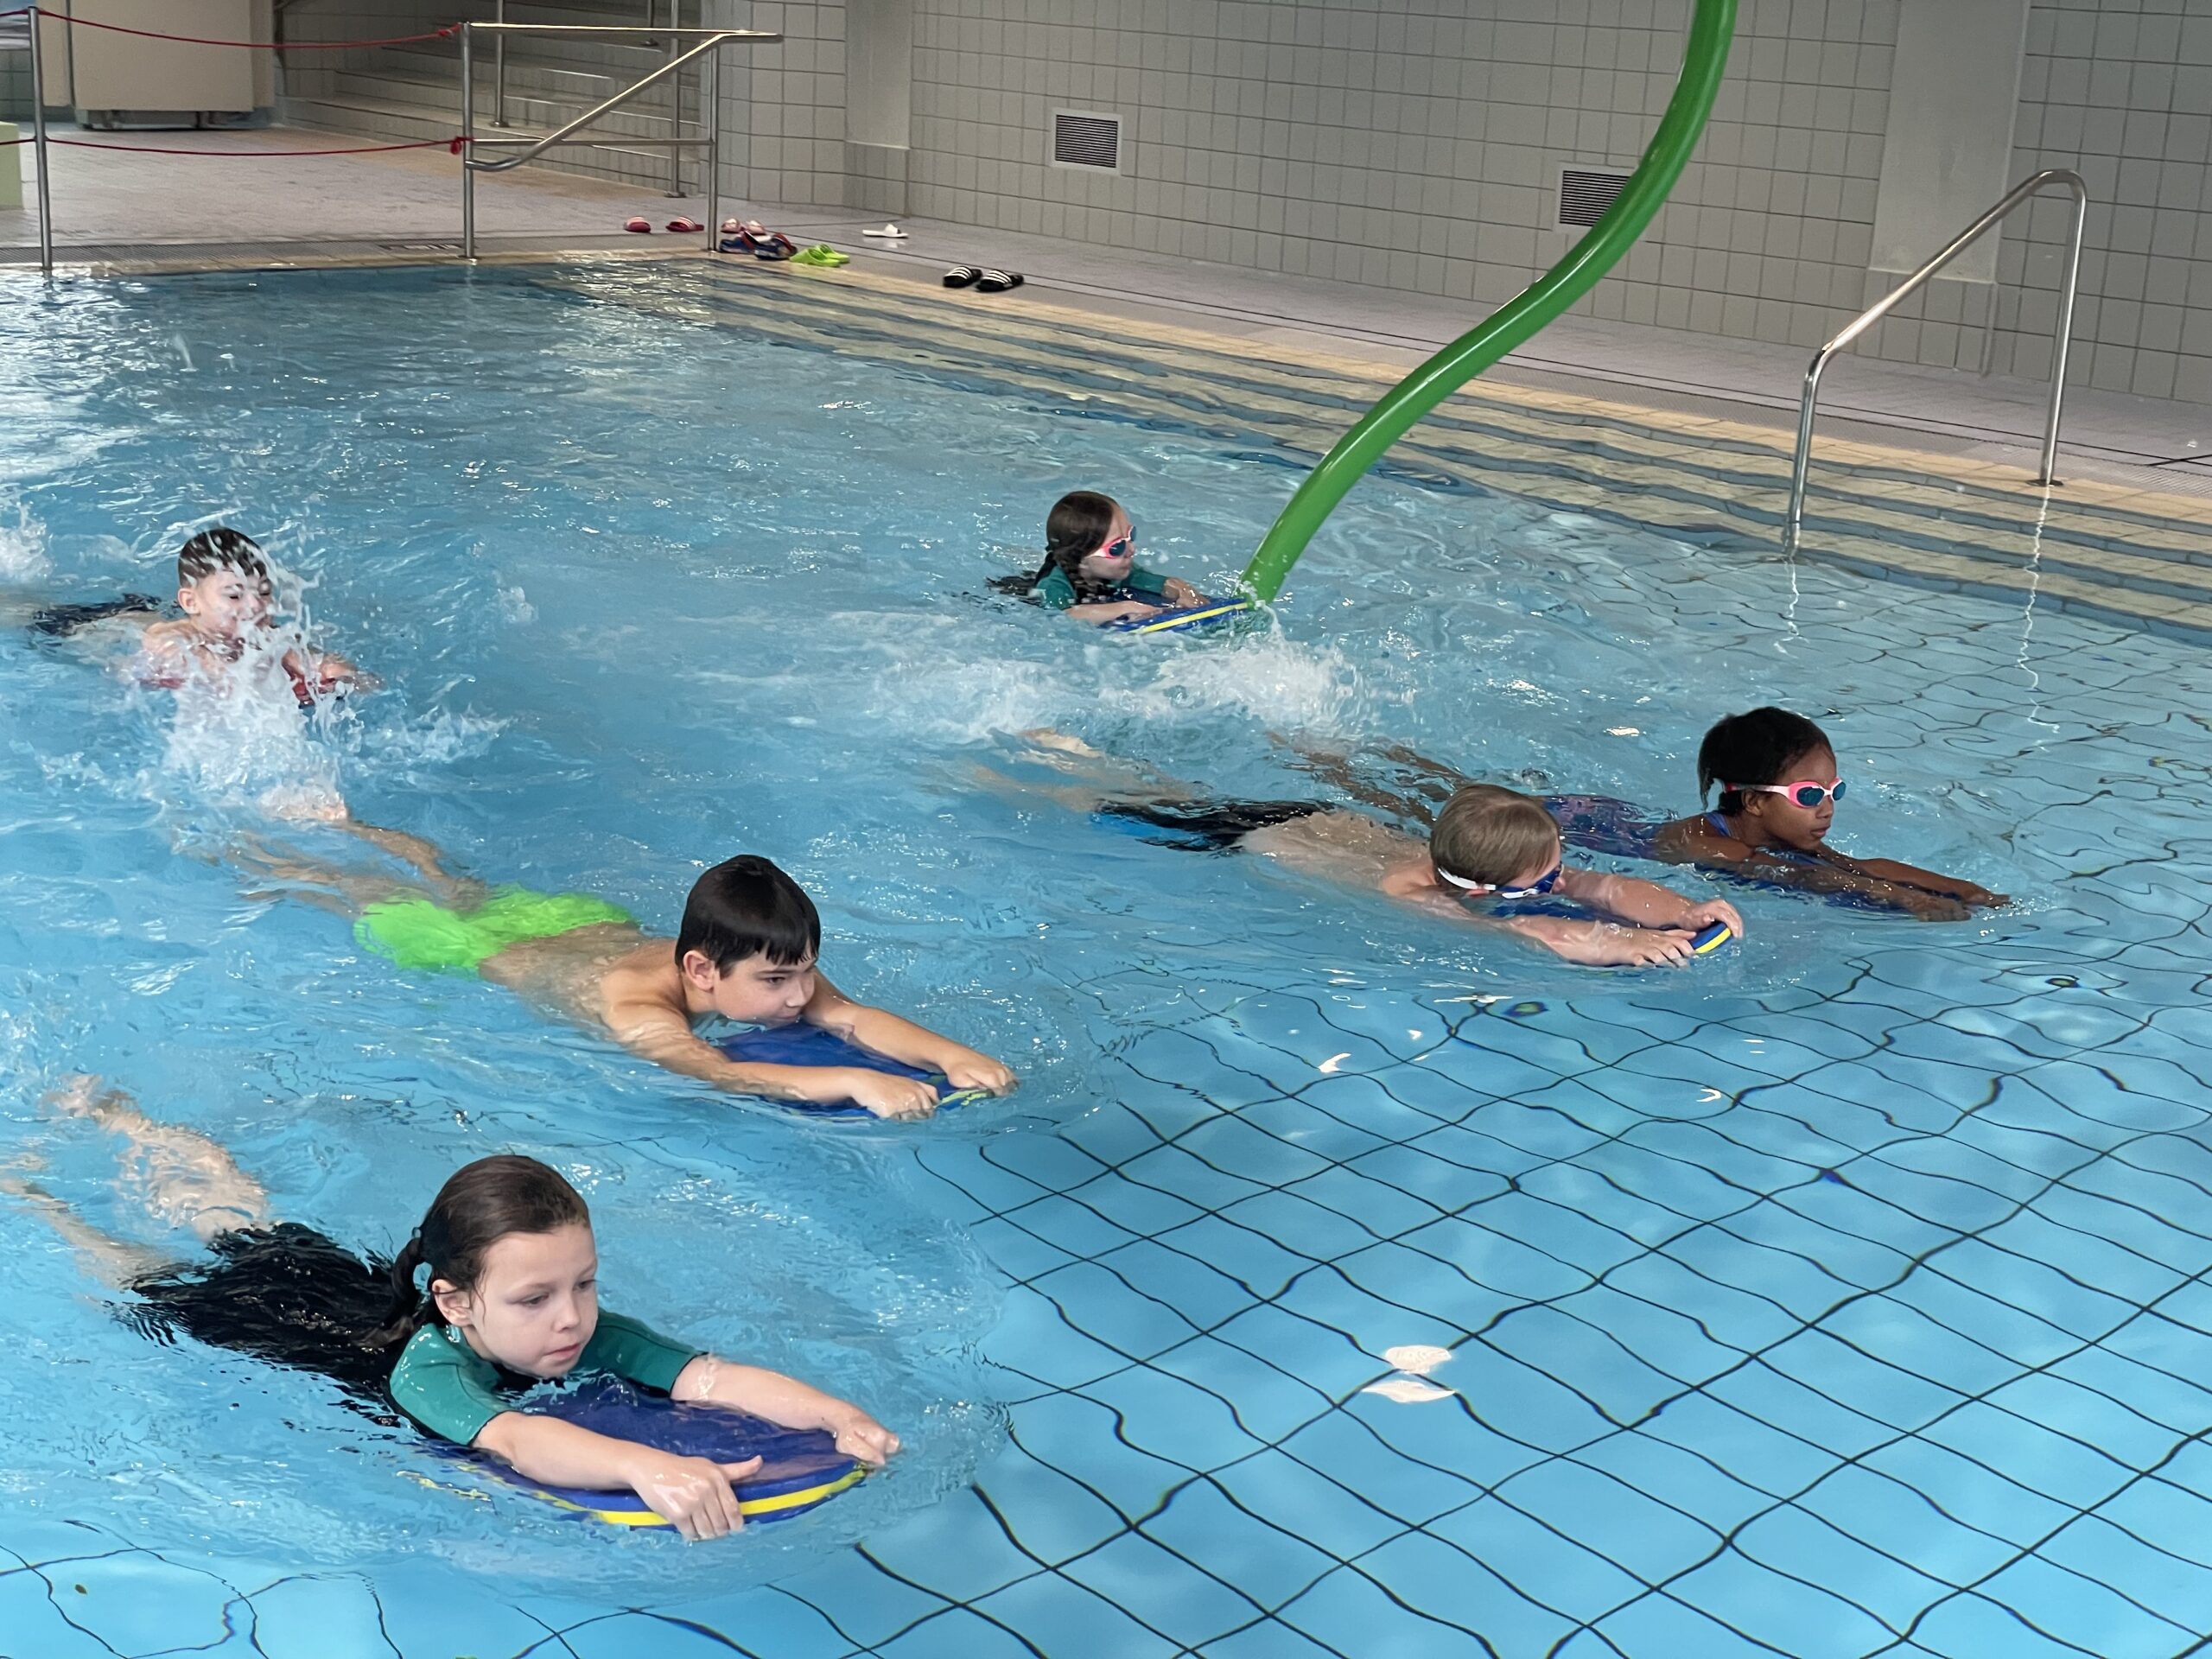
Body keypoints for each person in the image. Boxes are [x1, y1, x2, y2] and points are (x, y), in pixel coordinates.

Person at [10, 1077, 898, 1541]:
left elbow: (711, 1376)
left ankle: (126, 1122)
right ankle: (37, 1197)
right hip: (274, 1321)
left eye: (585, 1283)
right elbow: (516, 1439)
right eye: (535, 1297)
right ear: (454, 1301)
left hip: (340, 1282)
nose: (572, 1318)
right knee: (139, 1272)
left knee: (246, 1219)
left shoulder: (581, 1334)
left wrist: (835, 1414)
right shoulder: (429, 1369)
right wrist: (644, 1467)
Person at [243, 848, 1017, 1120]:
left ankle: (363, 834)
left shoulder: (765, 960)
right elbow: (715, 1070)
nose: (799, 996)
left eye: (806, 973)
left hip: (578, 921)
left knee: (459, 880)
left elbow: (852, 1017)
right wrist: (853, 1082)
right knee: (364, 894)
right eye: (780, 981)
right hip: (480, 951)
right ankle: (269, 861)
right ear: (702, 970)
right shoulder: (637, 1009)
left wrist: (951, 1056)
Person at [988, 735, 1743, 968]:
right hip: (1254, 838)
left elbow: (1598, 887)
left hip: (1315, 816)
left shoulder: (1489, 864)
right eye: (1541, 878)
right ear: (1482, 890)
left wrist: (1682, 910)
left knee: (1171, 792)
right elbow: (1537, 931)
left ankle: (1078, 755)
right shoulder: (1416, 898)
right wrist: (1621, 946)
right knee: (1116, 810)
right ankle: (1011, 777)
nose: (1558, 881)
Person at [1647, 707, 2006, 919]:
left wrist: (1961, 889)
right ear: (1754, 801)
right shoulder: (1708, 845)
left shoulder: (1783, 833)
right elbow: (1802, 876)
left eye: (1834, 791)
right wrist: (1907, 899)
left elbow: (1858, 868)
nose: (1827, 808)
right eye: (1809, 795)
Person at [135, 528, 366, 709]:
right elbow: (168, 646)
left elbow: (351, 676)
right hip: (133, 615)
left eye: (264, 592)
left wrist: (336, 676)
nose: (256, 605)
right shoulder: (175, 637)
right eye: (235, 595)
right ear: (191, 601)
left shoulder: (272, 638)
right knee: (134, 619)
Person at [1001, 492, 1202, 625]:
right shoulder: (1053, 585)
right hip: (1022, 597)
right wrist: (1127, 607)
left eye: (1130, 536)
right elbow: (1064, 615)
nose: (1131, 550)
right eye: (1116, 547)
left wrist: (1185, 592)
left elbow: (1161, 582)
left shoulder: (1120, 569)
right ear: (1082, 558)